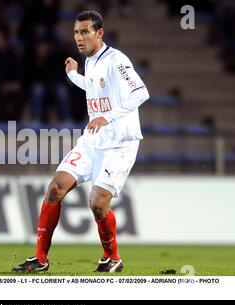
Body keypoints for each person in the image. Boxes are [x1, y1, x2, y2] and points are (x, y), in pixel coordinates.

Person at [12, 10, 149, 273]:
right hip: (93, 140)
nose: (79, 37)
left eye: (85, 31)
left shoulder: (117, 59)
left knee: (97, 204)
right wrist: (74, 76)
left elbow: (140, 93)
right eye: (76, 32)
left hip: (120, 144)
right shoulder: (90, 61)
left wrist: (107, 117)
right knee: (55, 188)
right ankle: (40, 259)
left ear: (100, 33)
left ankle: (112, 257)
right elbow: (96, 87)